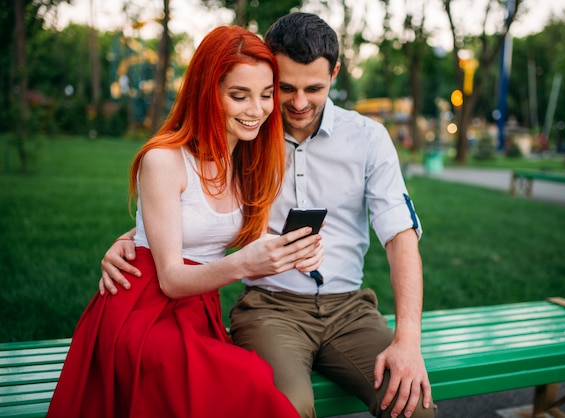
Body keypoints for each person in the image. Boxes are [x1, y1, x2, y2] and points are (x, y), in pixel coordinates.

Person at [102, 12, 436, 418]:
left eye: (314, 88)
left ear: (336, 73)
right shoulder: (247, 130)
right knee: (286, 408)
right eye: (285, 88)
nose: (297, 103)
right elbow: (192, 195)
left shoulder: (368, 138)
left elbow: (401, 236)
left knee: (414, 407)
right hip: (269, 307)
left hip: (350, 308)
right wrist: (134, 239)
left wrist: (407, 341)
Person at [48, 25, 325, 418]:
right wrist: (246, 262)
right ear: (206, 92)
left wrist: (296, 249)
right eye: (239, 96)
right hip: (144, 312)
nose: (257, 109)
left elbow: (213, 228)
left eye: (265, 95)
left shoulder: (246, 159)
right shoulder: (164, 160)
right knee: (248, 383)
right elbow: (171, 279)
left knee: (247, 382)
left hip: (198, 311)